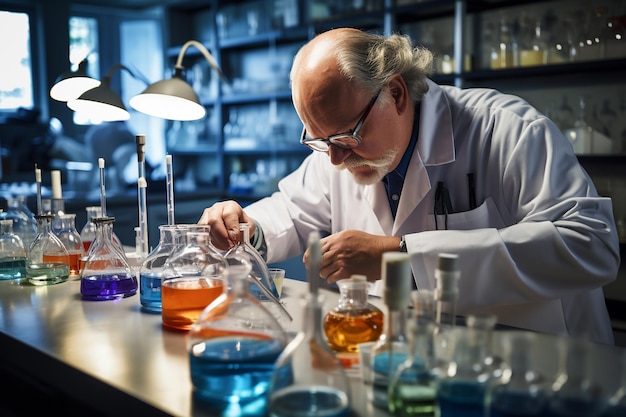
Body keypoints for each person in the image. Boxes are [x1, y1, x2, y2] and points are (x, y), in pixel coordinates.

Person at [199, 28, 620, 345]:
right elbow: (289, 211)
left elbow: (591, 245)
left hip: (542, 361)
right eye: (318, 140)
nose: (334, 159)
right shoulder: (337, 151)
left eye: (345, 137)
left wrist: (400, 256)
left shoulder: (505, 130)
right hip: (418, 361)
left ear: (396, 93)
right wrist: (245, 226)